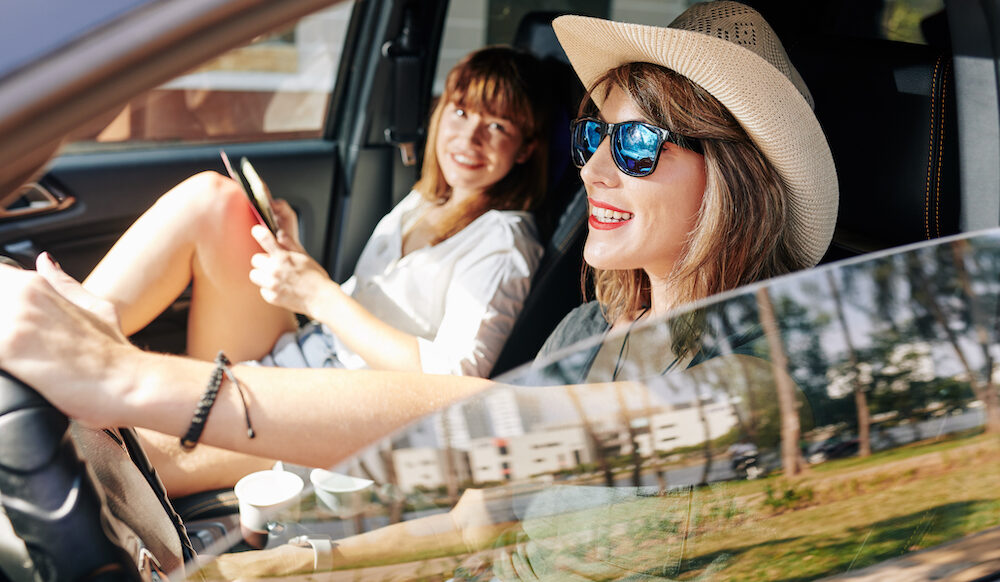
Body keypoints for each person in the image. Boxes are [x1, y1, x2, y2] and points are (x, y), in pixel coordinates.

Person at [0, 1, 837, 578]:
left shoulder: (761, 370)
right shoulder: (585, 327)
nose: (594, 165)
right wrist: (283, 568)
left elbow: (487, 422)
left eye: (640, 143)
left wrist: (134, 380)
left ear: (732, 175)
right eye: (593, 131)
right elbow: (481, 515)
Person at [78, 46, 552, 493]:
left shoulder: (504, 241)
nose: (469, 138)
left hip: (337, 413)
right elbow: (371, 303)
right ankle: (71, 326)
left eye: (498, 128)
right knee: (213, 199)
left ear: (526, 149)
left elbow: (456, 382)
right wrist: (301, 260)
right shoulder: (428, 199)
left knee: (106, 446)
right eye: (462, 112)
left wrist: (319, 295)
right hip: (303, 355)